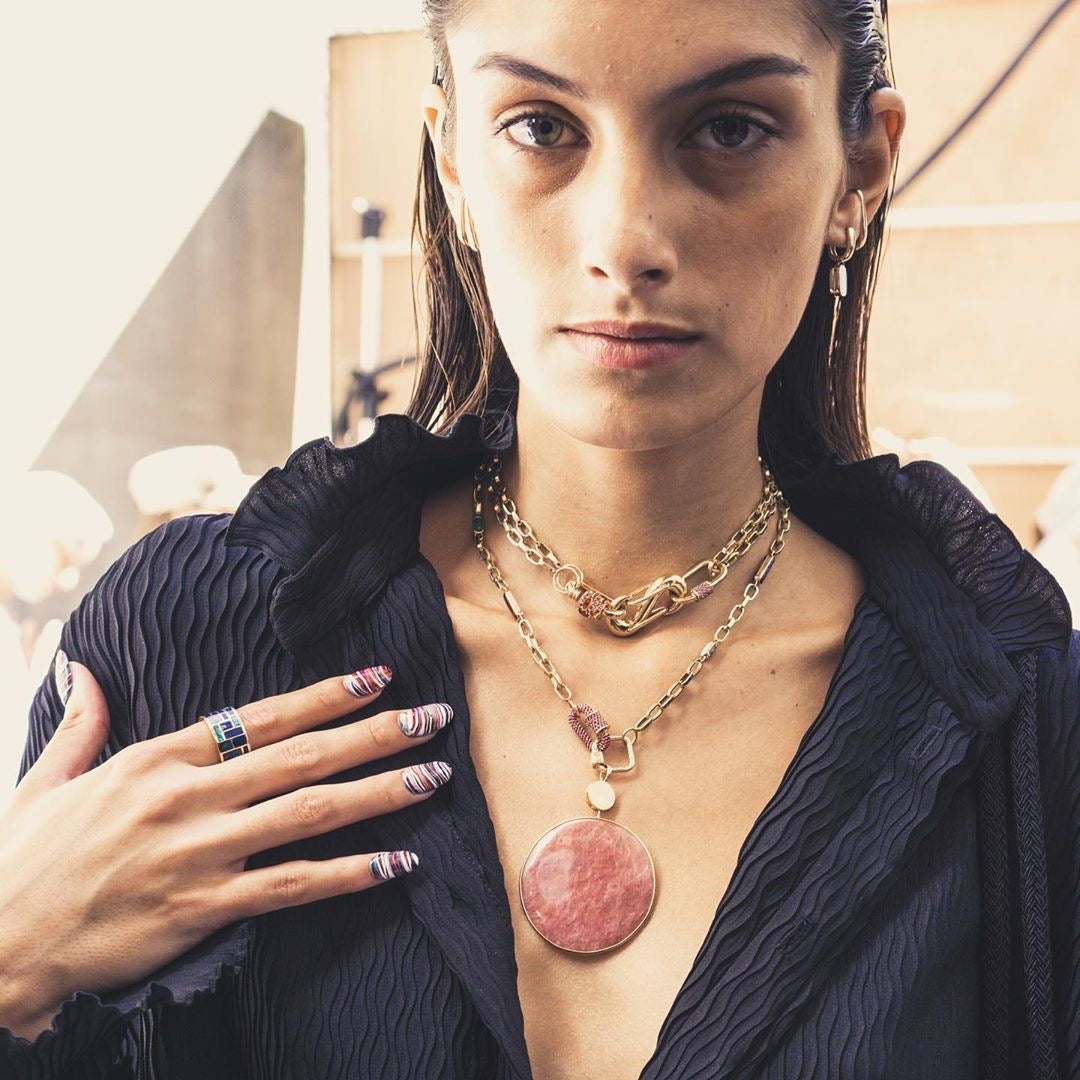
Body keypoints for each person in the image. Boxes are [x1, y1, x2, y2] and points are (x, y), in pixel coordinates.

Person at [1, 1, 1077, 1077]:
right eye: (543, 128)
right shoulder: (192, 635)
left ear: (860, 169)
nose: (624, 241)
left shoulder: (1010, 707)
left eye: (731, 128)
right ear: (454, 160)